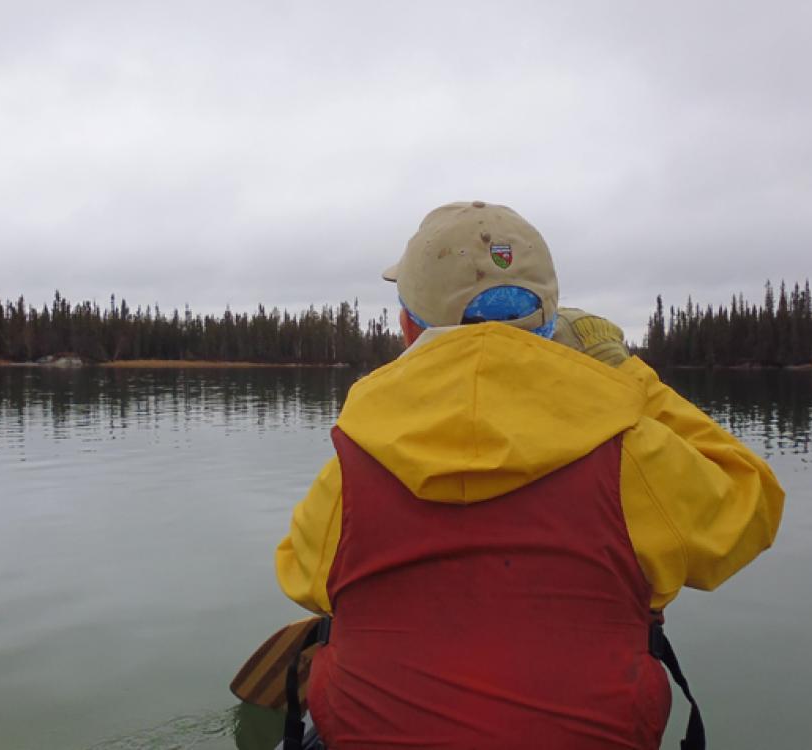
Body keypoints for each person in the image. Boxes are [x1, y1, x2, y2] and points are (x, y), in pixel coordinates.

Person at [275, 201, 784, 749]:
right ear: (550, 327)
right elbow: (750, 504)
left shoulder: (351, 467)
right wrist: (627, 374)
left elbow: (303, 580)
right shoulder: (632, 455)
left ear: (406, 327)